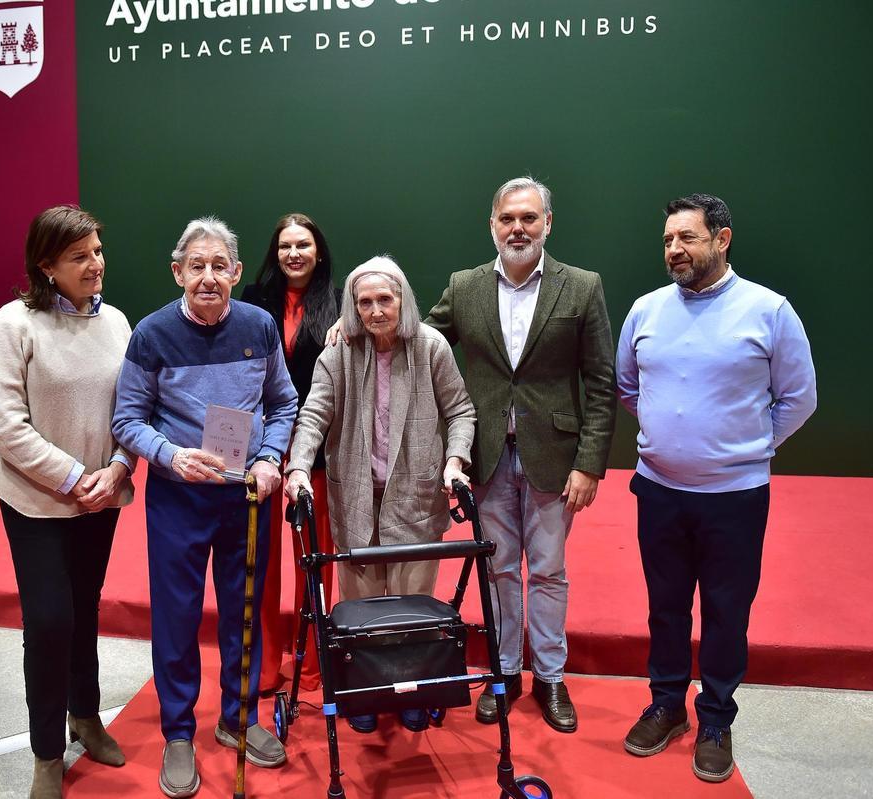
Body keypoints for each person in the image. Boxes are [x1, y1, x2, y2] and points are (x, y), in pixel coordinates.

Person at [616, 194, 816, 783]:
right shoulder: (646, 310)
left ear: (722, 239)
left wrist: (747, 446)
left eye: (688, 238)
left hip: (736, 498)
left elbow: (799, 398)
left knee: (727, 612)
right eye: (668, 240)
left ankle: (715, 720)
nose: (674, 250)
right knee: (666, 608)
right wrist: (669, 437)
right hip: (659, 492)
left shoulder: (769, 310)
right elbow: (629, 387)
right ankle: (666, 706)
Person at [112, 216, 298, 799]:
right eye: (198, 266)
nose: (209, 277)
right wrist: (168, 455)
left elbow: (284, 401)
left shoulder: (259, 325)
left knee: (244, 610)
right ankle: (178, 732)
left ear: (238, 272)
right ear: (178, 272)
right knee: (178, 617)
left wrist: (270, 459)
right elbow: (127, 419)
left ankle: (237, 720)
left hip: (245, 496)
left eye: (220, 266)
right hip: (180, 496)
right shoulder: (150, 334)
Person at [424, 177, 616, 732]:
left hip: (555, 460)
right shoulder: (464, 287)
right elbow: (420, 341)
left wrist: (588, 463)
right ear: (492, 224)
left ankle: (550, 677)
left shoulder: (581, 287)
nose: (518, 228)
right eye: (508, 218)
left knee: (550, 571)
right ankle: (505, 673)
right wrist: (357, 323)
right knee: (499, 569)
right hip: (485, 458)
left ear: (548, 224)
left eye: (529, 218)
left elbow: (600, 383)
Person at [0, 205, 136, 799]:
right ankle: (47, 753)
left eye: (97, 250)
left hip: (100, 497)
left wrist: (119, 467)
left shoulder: (118, 323)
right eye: (79, 256)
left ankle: (86, 715)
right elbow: (6, 429)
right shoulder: (14, 323)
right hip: (36, 500)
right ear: (46, 267)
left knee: (84, 609)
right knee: (49, 621)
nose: (95, 264)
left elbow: (134, 410)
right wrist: (77, 477)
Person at [285, 255, 475, 733]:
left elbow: (461, 411)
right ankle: (364, 691)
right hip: (354, 499)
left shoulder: (431, 346)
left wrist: (455, 461)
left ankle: (413, 690)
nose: (374, 311)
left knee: (412, 608)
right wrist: (299, 467)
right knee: (361, 610)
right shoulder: (338, 352)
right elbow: (313, 415)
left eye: (384, 299)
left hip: (416, 495)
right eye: (364, 302)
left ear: (403, 300)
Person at [240, 212, 341, 695]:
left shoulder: (341, 303)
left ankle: (313, 660)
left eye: (303, 245)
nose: (294, 254)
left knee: (314, 556)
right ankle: (264, 663)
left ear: (318, 251)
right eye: (285, 246)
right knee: (260, 558)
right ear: (275, 253)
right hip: (258, 442)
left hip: (317, 444)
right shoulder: (253, 300)